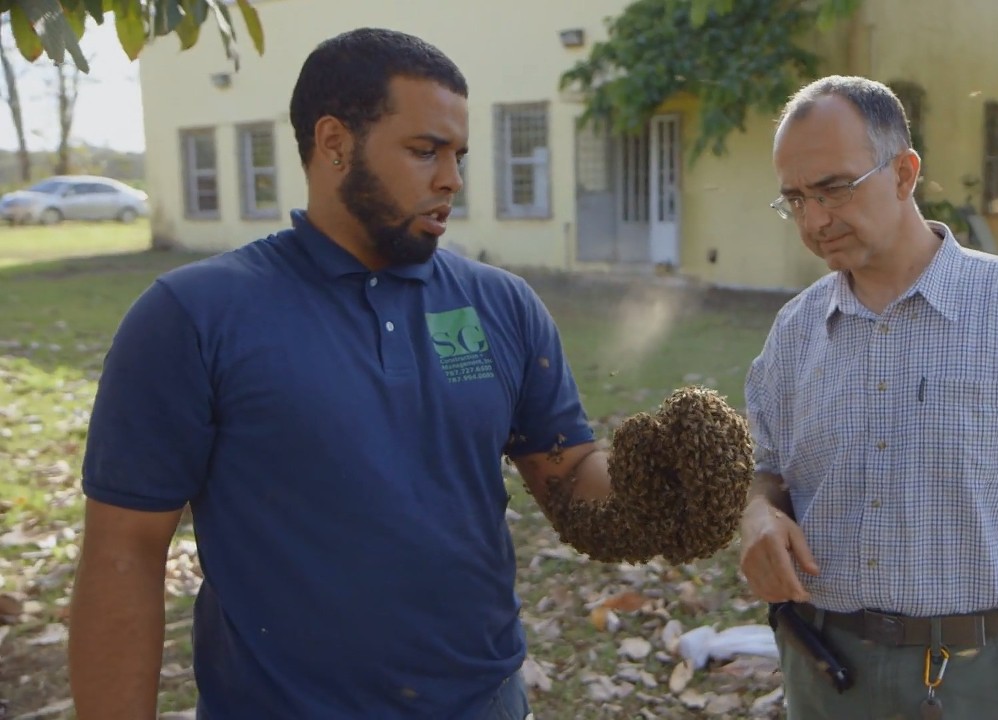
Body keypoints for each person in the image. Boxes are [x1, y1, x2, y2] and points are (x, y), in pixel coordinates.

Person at [67, 28, 621, 720]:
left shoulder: (502, 306)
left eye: (458, 154)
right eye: (425, 151)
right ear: (334, 144)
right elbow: (125, 557)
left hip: (484, 702)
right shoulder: (193, 317)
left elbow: (571, 481)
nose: (452, 178)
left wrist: (659, 486)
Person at [737, 76, 998, 720]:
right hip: (821, 671)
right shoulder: (794, 330)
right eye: (795, 199)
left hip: (978, 681)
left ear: (904, 173)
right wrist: (757, 513)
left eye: (834, 188)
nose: (815, 221)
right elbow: (768, 468)